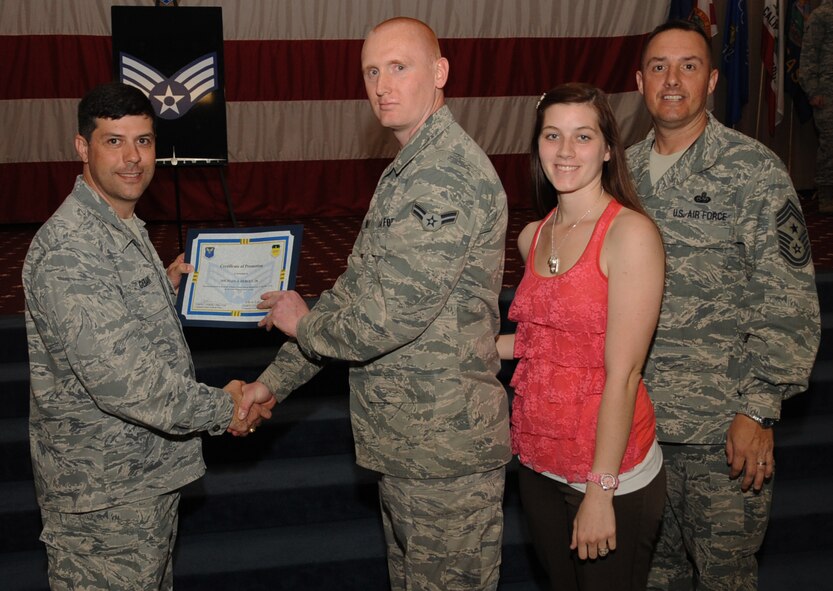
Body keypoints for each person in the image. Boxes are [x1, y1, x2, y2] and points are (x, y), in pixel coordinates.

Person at [239, 17, 510, 591]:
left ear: (439, 73)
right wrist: (273, 382)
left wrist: (305, 323)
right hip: (412, 445)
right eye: (371, 71)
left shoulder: (443, 175)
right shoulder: (406, 172)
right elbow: (354, 296)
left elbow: (387, 318)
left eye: (399, 67)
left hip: (444, 452)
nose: (382, 85)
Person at [22, 82, 273, 590]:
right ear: (81, 147)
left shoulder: (121, 224)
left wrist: (164, 284)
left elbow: (114, 320)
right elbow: (125, 383)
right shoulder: (69, 250)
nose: (133, 158)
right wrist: (225, 408)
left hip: (141, 484)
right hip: (102, 503)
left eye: (144, 141)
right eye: (114, 141)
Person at [627, 20, 821, 590]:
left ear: (711, 80)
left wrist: (759, 410)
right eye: (658, 66)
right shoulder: (621, 174)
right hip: (638, 430)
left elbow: (789, 299)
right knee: (651, 579)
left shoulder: (754, 172)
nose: (672, 79)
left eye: (688, 66)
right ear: (640, 81)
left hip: (722, 433)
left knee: (724, 580)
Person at [496, 83, 666, 591]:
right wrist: (464, 344)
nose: (565, 151)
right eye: (552, 136)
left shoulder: (629, 234)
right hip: (537, 460)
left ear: (608, 148)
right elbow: (539, 342)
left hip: (607, 469)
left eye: (583, 136)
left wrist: (600, 490)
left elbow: (625, 372)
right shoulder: (534, 235)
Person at [799, 0, 833, 213]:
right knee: (830, 145)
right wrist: (813, 90)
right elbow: (809, 54)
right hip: (828, 93)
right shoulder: (823, 15)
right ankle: (826, 196)